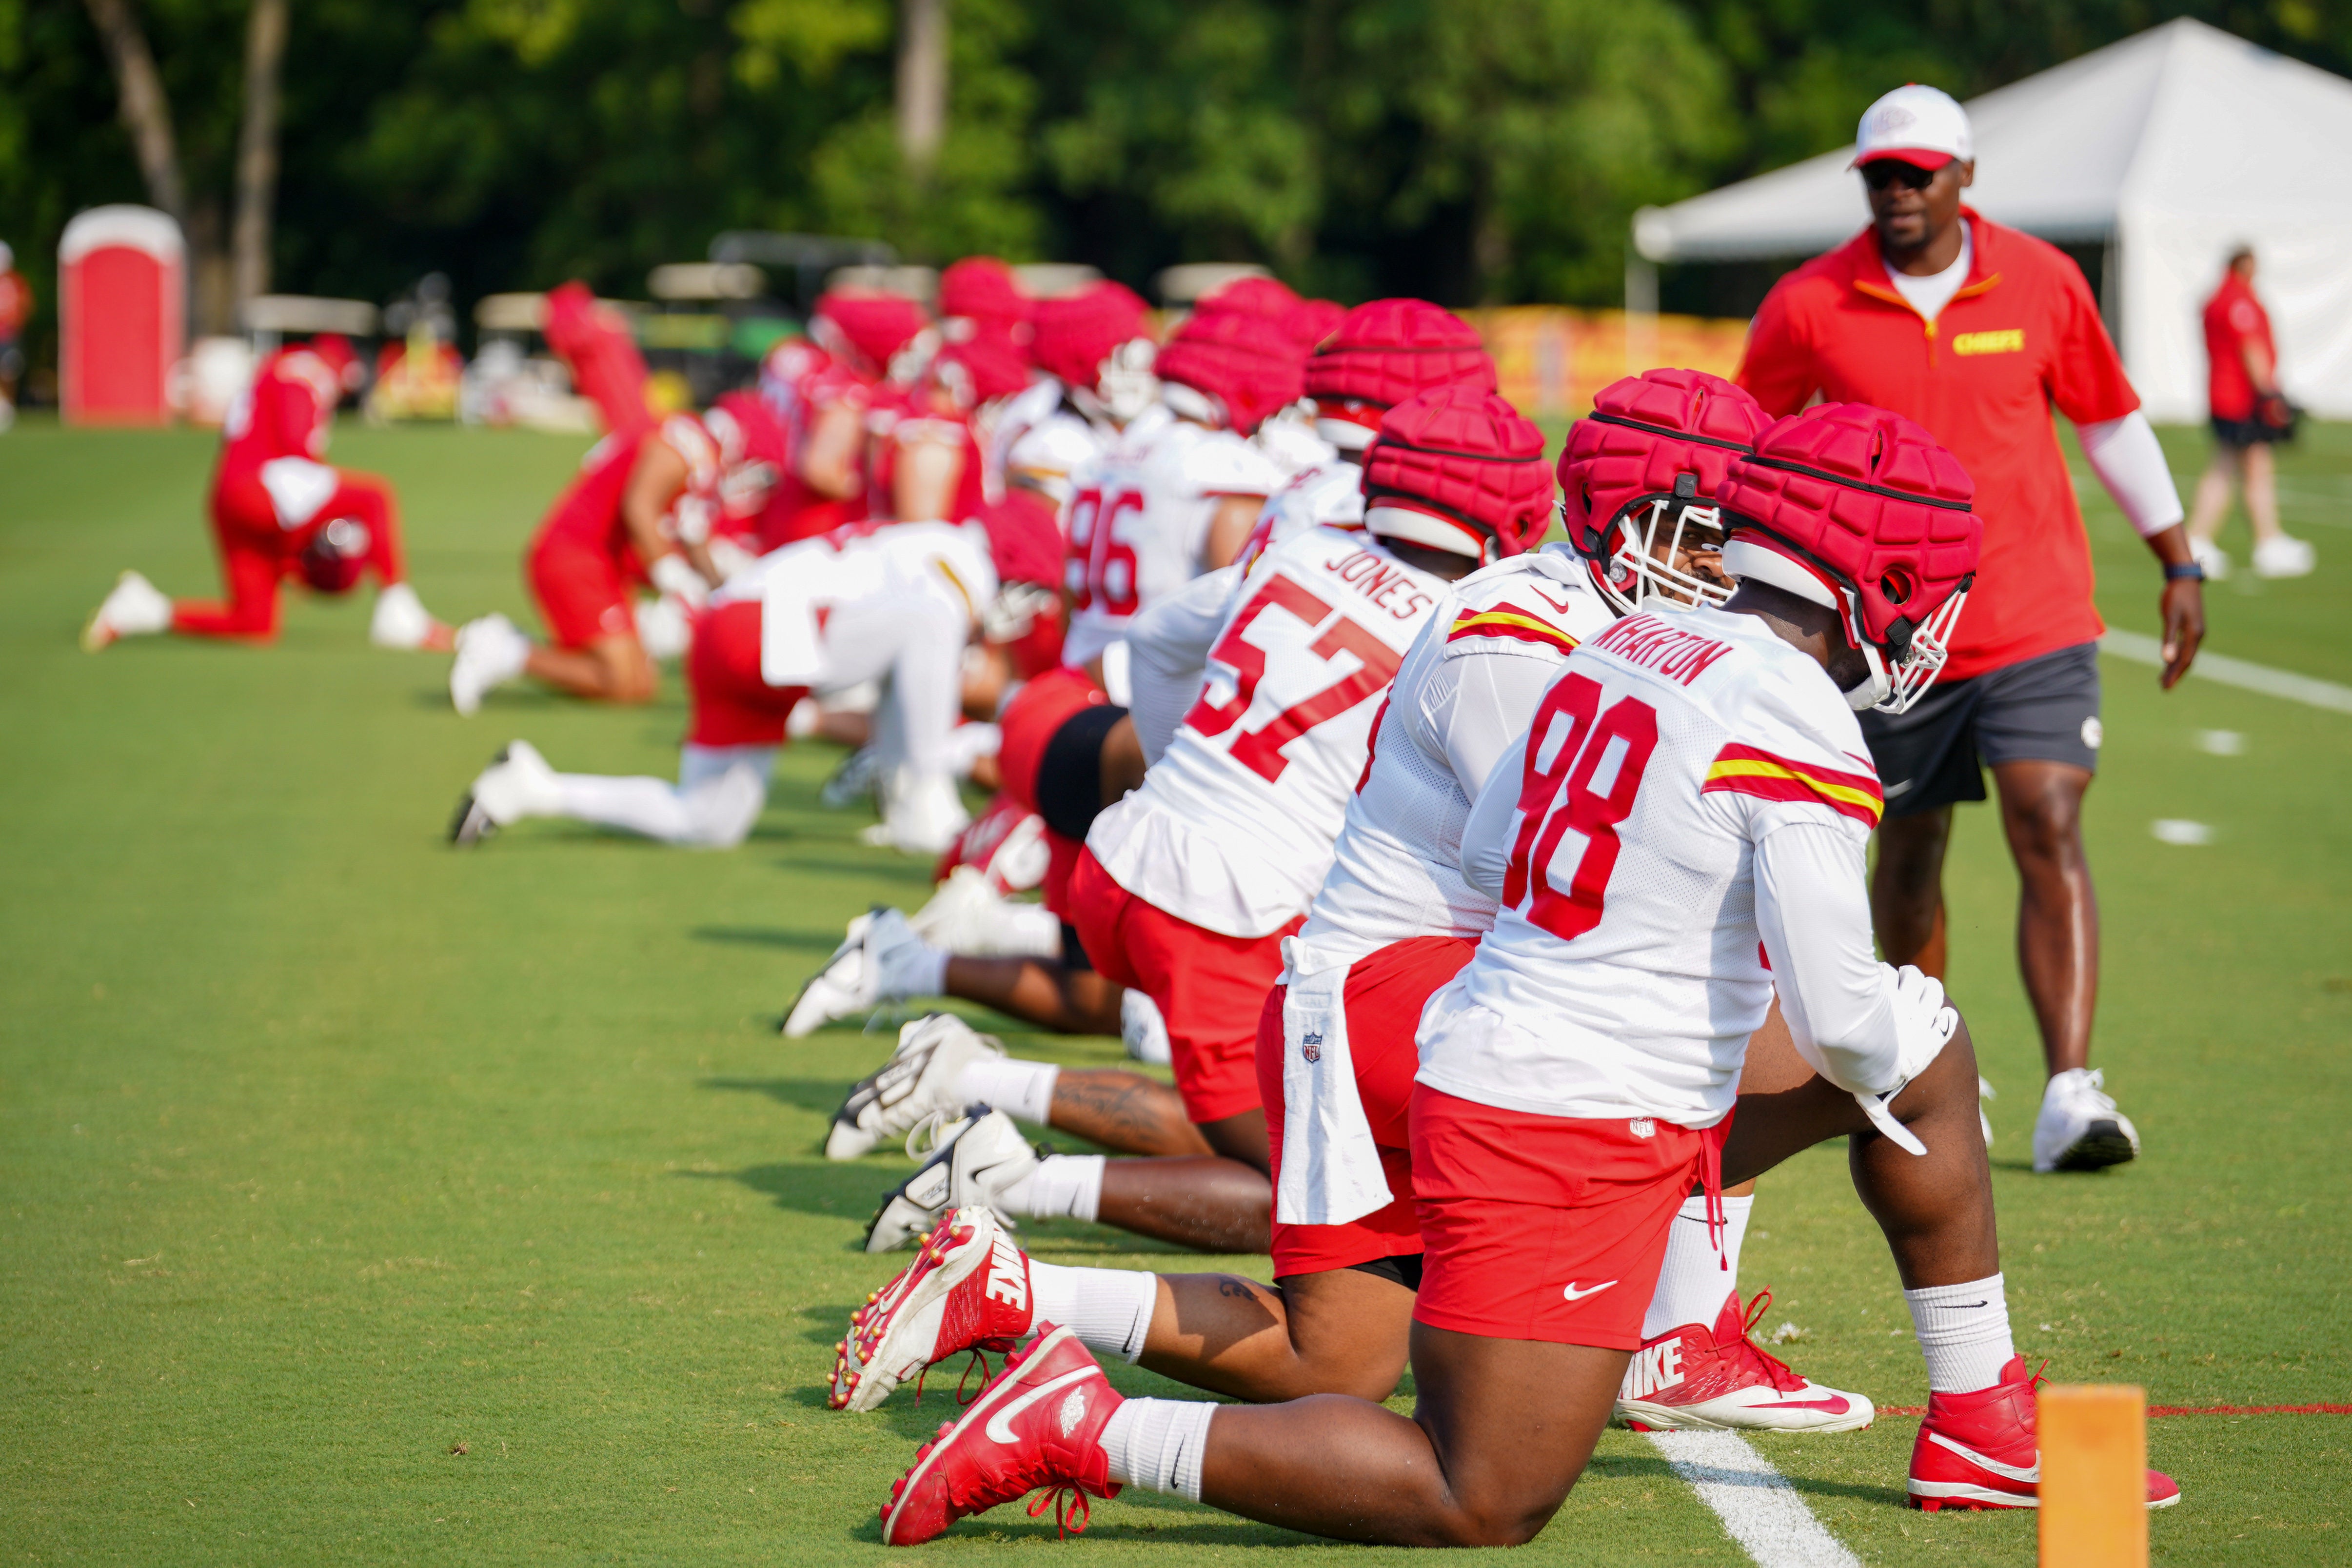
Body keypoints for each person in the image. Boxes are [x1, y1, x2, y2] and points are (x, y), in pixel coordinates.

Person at [867, 403, 2181, 1547]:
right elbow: (1840, 1019)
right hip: (1560, 1115)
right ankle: (1087, 1426)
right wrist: (1785, 1005)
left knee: (1352, 1357)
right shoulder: (1795, 713)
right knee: (1478, 1487)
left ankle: (1973, 1420)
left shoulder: (1624, 639)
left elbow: (1501, 841)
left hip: (1484, 1045)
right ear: (1884, 573)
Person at [829, 372, 1865, 1437]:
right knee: (1798, 1032)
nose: (1718, 571)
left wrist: (1184, 766)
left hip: (1341, 980)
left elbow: (1157, 643)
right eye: (1698, 537)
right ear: (1606, 513)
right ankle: (1682, 1330)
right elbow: (1556, 881)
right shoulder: (1518, 630)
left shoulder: (1481, 596)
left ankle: (1010, 1287)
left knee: (1333, 1357)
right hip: (1398, 994)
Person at [844, 387, 1554, 1262]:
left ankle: (975, 1083)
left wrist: (1180, 765)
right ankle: (1007, 1178)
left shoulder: (1306, 548)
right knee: (1322, 1197)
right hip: (1222, 907)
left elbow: (1153, 640)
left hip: (1134, 855)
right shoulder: (1468, 625)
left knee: (1297, 1130)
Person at [787, 300, 1496, 1048]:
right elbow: (1225, 620)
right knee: (1244, 1050)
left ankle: (914, 960)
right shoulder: (1286, 486)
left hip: (1071, 696)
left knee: (1095, 994)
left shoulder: (1136, 457)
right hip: (1145, 728)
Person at [1735, 82, 2205, 1173]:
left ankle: (2070, 1088)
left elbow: (2107, 421)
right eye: (1879, 177)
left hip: (2035, 612)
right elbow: (1751, 446)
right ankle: (1937, 1061)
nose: (1897, 193)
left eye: (1917, 173)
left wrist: (2176, 556)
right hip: (1885, 637)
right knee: (1908, 848)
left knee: (2045, 817)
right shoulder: (1809, 300)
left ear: (1962, 176)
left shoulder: (2040, 279)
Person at [448, 503, 1059, 853]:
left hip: (744, 638)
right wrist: (943, 753)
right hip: (766, 632)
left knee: (707, 822)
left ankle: (537, 787)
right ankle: (922, 801)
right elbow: (921, 639)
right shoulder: (962, 568)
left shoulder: (933, 545)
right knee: (932, 624)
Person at [83, 337, 446, 653]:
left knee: (255, 623)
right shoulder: (306, 371)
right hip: (260, 489)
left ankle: (145, 610)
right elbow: (295, 443)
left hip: (228, 497)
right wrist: (310, 539)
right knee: (374, 497)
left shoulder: (278, 368)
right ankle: (399, 615)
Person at [444, 395, 783, 715]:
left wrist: (721, 592)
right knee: (621, 681)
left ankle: (521, 646)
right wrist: (673, 578)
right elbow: (639, 505)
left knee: (639, 686)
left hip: (603, 563)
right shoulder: (686, 445)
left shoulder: (700, 453)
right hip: (577, 557)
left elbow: (691, 533)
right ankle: (502, 649)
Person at [2185, 247, 2312, 581]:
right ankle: (2256, 541)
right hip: (2240, 398)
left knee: (2239, 464)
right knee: (2242, 466)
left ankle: (2260, 538)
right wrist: (2270, 393)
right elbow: (2250, 348)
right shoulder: (2237, 300)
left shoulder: (2215, 299)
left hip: (2225, 395)